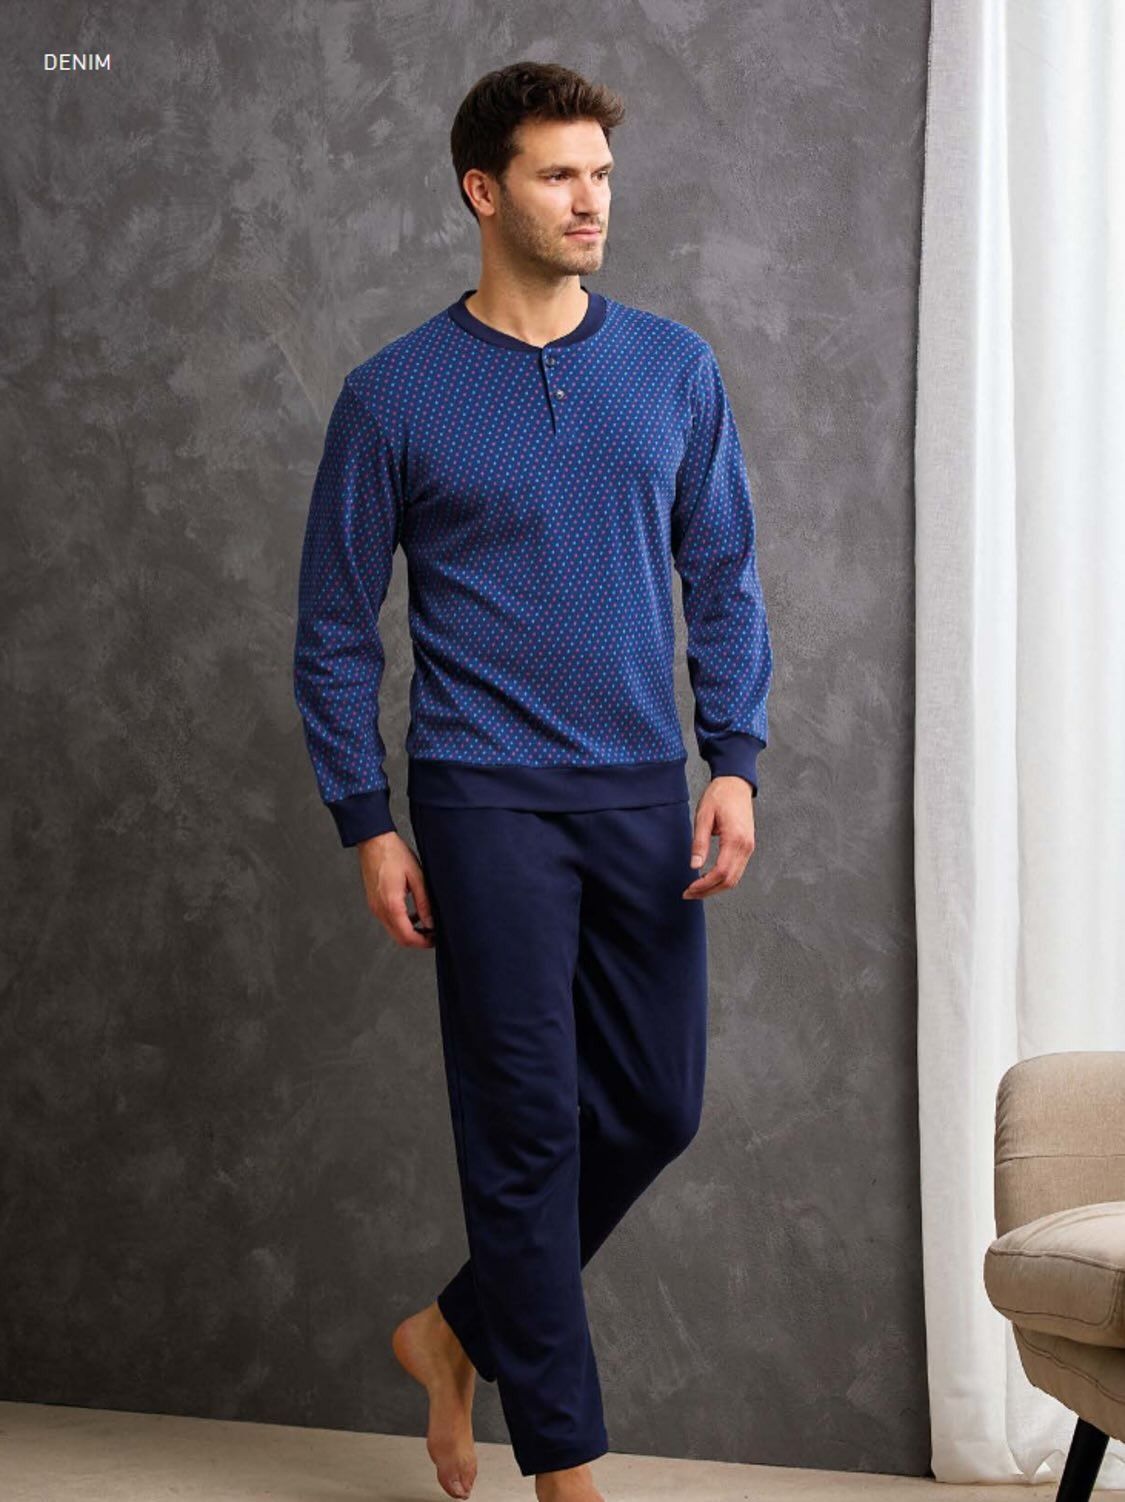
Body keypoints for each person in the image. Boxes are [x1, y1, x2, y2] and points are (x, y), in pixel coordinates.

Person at [292, 59, 774, 1502]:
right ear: (482, 191)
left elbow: (723, 576)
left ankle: (453, 1330)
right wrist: (367, 823)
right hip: (480, 797)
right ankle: (567, 1471)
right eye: (560, 175)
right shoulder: (393, 395)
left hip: (639, 788)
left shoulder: (673, 368)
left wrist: (734, 759)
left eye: (601, 175)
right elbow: (333, 628)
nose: (591, 201)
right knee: (524, 1128)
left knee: (655, 1106)